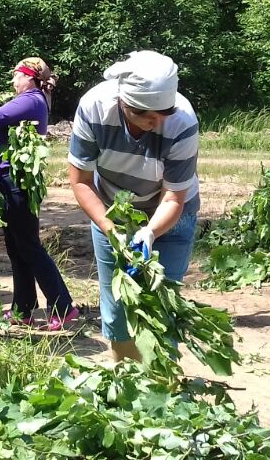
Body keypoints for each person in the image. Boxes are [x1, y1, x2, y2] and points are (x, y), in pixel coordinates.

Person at [67, 50, 199, 362]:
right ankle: (126, 385)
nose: (157, 123)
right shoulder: (94, 108)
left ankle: (160, 391)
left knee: (161, 307)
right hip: (112, 211)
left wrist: (150, 232)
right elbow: (81, 180)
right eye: (148, 116)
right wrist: (112, 230)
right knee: (116, 305)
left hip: (171, 215)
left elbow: (174, 197)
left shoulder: (181, 120)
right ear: (124, 103)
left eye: (163, 114)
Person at [0, 57, 77, 330]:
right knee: (16, 247)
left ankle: (63, 306)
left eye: (16, 76)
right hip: (6, 179)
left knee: (29, 246)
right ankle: (23, 309)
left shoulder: (32, 99)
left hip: (17, 182)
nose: (13, 82)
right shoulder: (28, 101)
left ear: (30, 77)